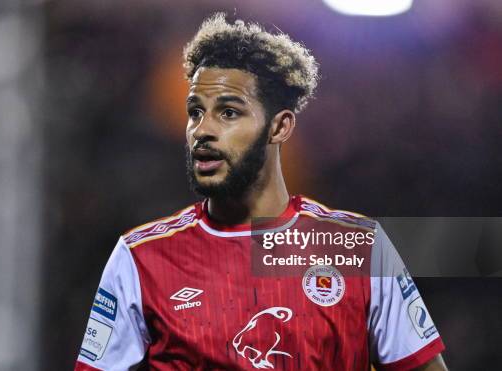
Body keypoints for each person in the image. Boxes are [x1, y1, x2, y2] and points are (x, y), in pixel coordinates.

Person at [74, 13, 447, 371]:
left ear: (280, 127)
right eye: (195, 112)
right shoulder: (141, 259)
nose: (202, 130)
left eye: (229, 112)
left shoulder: (357, 250)